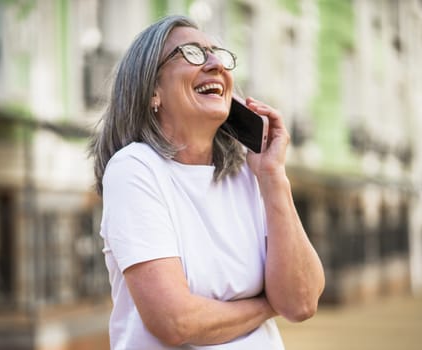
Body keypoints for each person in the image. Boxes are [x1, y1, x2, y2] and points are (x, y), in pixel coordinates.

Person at [90, 14, 325, 350]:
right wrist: (269, 305)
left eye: (218, 54)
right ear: (152, 90)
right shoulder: (135, 169)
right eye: (192, 53)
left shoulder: (251, 173)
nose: (215, 63)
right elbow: (176, 322)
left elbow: (301, 302)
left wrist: (273, 176)